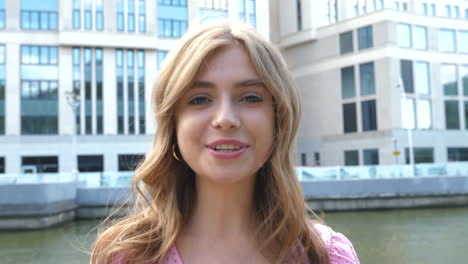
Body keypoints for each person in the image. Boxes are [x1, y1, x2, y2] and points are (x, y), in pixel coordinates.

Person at [90, 21, 359, 264]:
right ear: (173, 123)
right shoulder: (124, 256)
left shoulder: (327, 256)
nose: (225, 119)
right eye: (200, 99)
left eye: (251, 97)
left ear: (279, 119)